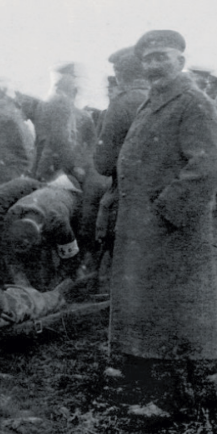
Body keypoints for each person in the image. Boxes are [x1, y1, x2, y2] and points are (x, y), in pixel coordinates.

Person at [107, 29, 217, 416]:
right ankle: (149, 383)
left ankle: (170, 397)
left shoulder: (193, 102)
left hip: (170, 230)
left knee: (171, 311)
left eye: (162, 56)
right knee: (147, 308)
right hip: (143, 228)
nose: (153, 64)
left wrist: (166, 212)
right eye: (148, 58)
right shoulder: (152, 102)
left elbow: (209, 164)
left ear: (180, 60)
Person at [92, 47, 150, 280]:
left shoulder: (121, 103)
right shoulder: (165, 98)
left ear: (119, 74)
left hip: (126, 203)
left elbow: (103, 164)